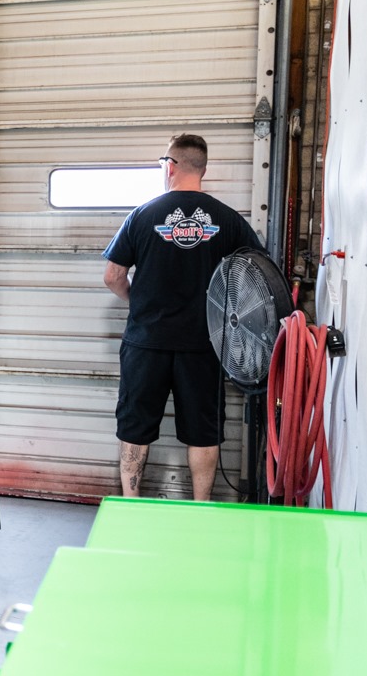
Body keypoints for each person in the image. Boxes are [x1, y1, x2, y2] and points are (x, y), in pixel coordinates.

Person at [103, 134, 265, 500]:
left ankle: (130, 506)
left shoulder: (142, 215)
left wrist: (139, 302)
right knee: (203, 433)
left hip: (146, 343)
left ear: (171, 167)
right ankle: (200, 510)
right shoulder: (228, 220)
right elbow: (257, 277)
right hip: (203, 345)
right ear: (203, 169)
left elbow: (113, 276)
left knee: (134, 429)